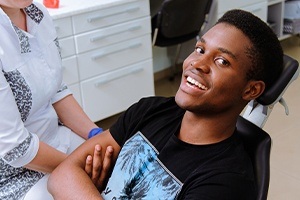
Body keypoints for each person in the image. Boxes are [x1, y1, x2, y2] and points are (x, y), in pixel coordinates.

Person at [48, 9, 284, 199]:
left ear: (251, 90)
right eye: (200, 49)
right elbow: (62, 175)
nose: (197, 64)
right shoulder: (150, 110)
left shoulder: (226, 182)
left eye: (222, 61)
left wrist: (85, 190)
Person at [0, 1, 106, 199]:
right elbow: (16, 148)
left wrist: (96, 135)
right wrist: (78, 169)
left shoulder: (38, 14)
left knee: (114, 170)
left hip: (55, 137)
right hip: (13, 173)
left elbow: (56, 89)